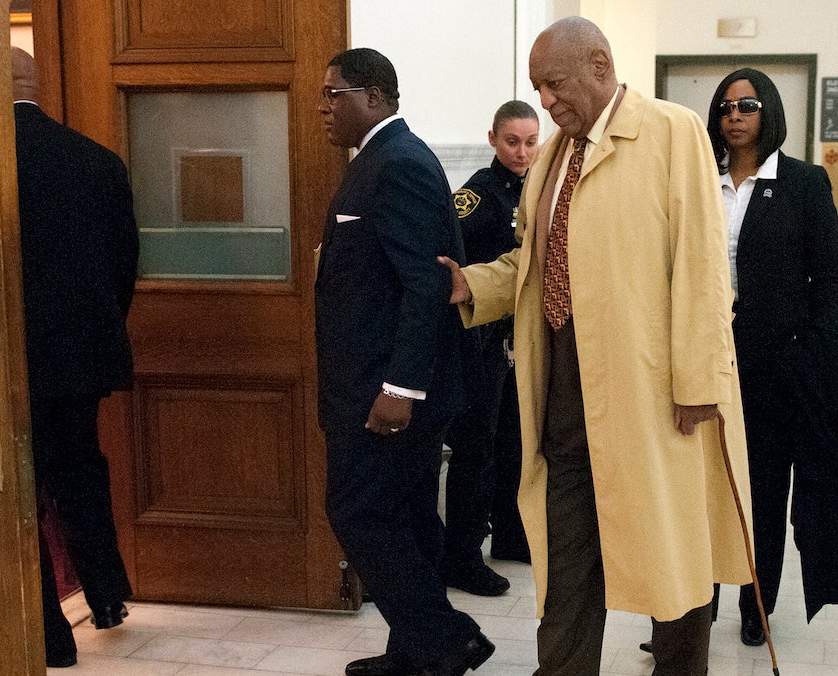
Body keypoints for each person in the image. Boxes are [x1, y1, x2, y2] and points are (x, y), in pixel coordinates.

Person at [442, 17, 753, 675]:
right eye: (538, 89)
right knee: (568, 565)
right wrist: (470, 285)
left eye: (553, 85)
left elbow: (701, 262)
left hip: (654, 395)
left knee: (672, 557)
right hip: (563, 393)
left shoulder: (672, 132)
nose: (547, 101)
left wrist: (699, 381)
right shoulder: (553, 155)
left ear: (600, 65)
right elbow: (537, 262)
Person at [313, 47, 493, 676]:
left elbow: (427, 285)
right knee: (409, 517)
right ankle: (413, 652)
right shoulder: (381, 161)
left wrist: (400, 387)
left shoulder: (400, 164)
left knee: (357, 511)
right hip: (375, 386)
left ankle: (445, 640)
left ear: (375, 96)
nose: (323, 107)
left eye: (333, 94)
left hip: (385, 394)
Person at [707, 68, 838, 646]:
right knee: (704, 488)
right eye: (725, 107)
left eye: (748, 105)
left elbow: (830, 276)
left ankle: (755, 605)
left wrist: (808, 348)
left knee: (764, 488)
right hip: (706, 358)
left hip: (775, 364)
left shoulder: (804, 182)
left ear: (770, 114)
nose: (734, 115)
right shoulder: (697, 179)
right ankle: (692, 614)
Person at [12, 47, 138, 668]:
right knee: (82, 469)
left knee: (20, 489)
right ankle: (108, 596)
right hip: (83, 356)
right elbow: (124, 271)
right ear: (35, 85)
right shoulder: (98, 163)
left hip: (5, 362)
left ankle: (48, 635)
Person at [442, 100, 539, 596]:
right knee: (475, 449)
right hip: (477, 340)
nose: (521, 152)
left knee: (513, 443)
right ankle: (461, 555)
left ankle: (509, 534)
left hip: (512, 340)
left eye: (529, 141)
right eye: (511, 142)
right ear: (493, 139)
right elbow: (450, 248)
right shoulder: (479, 193)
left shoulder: (535, 186)